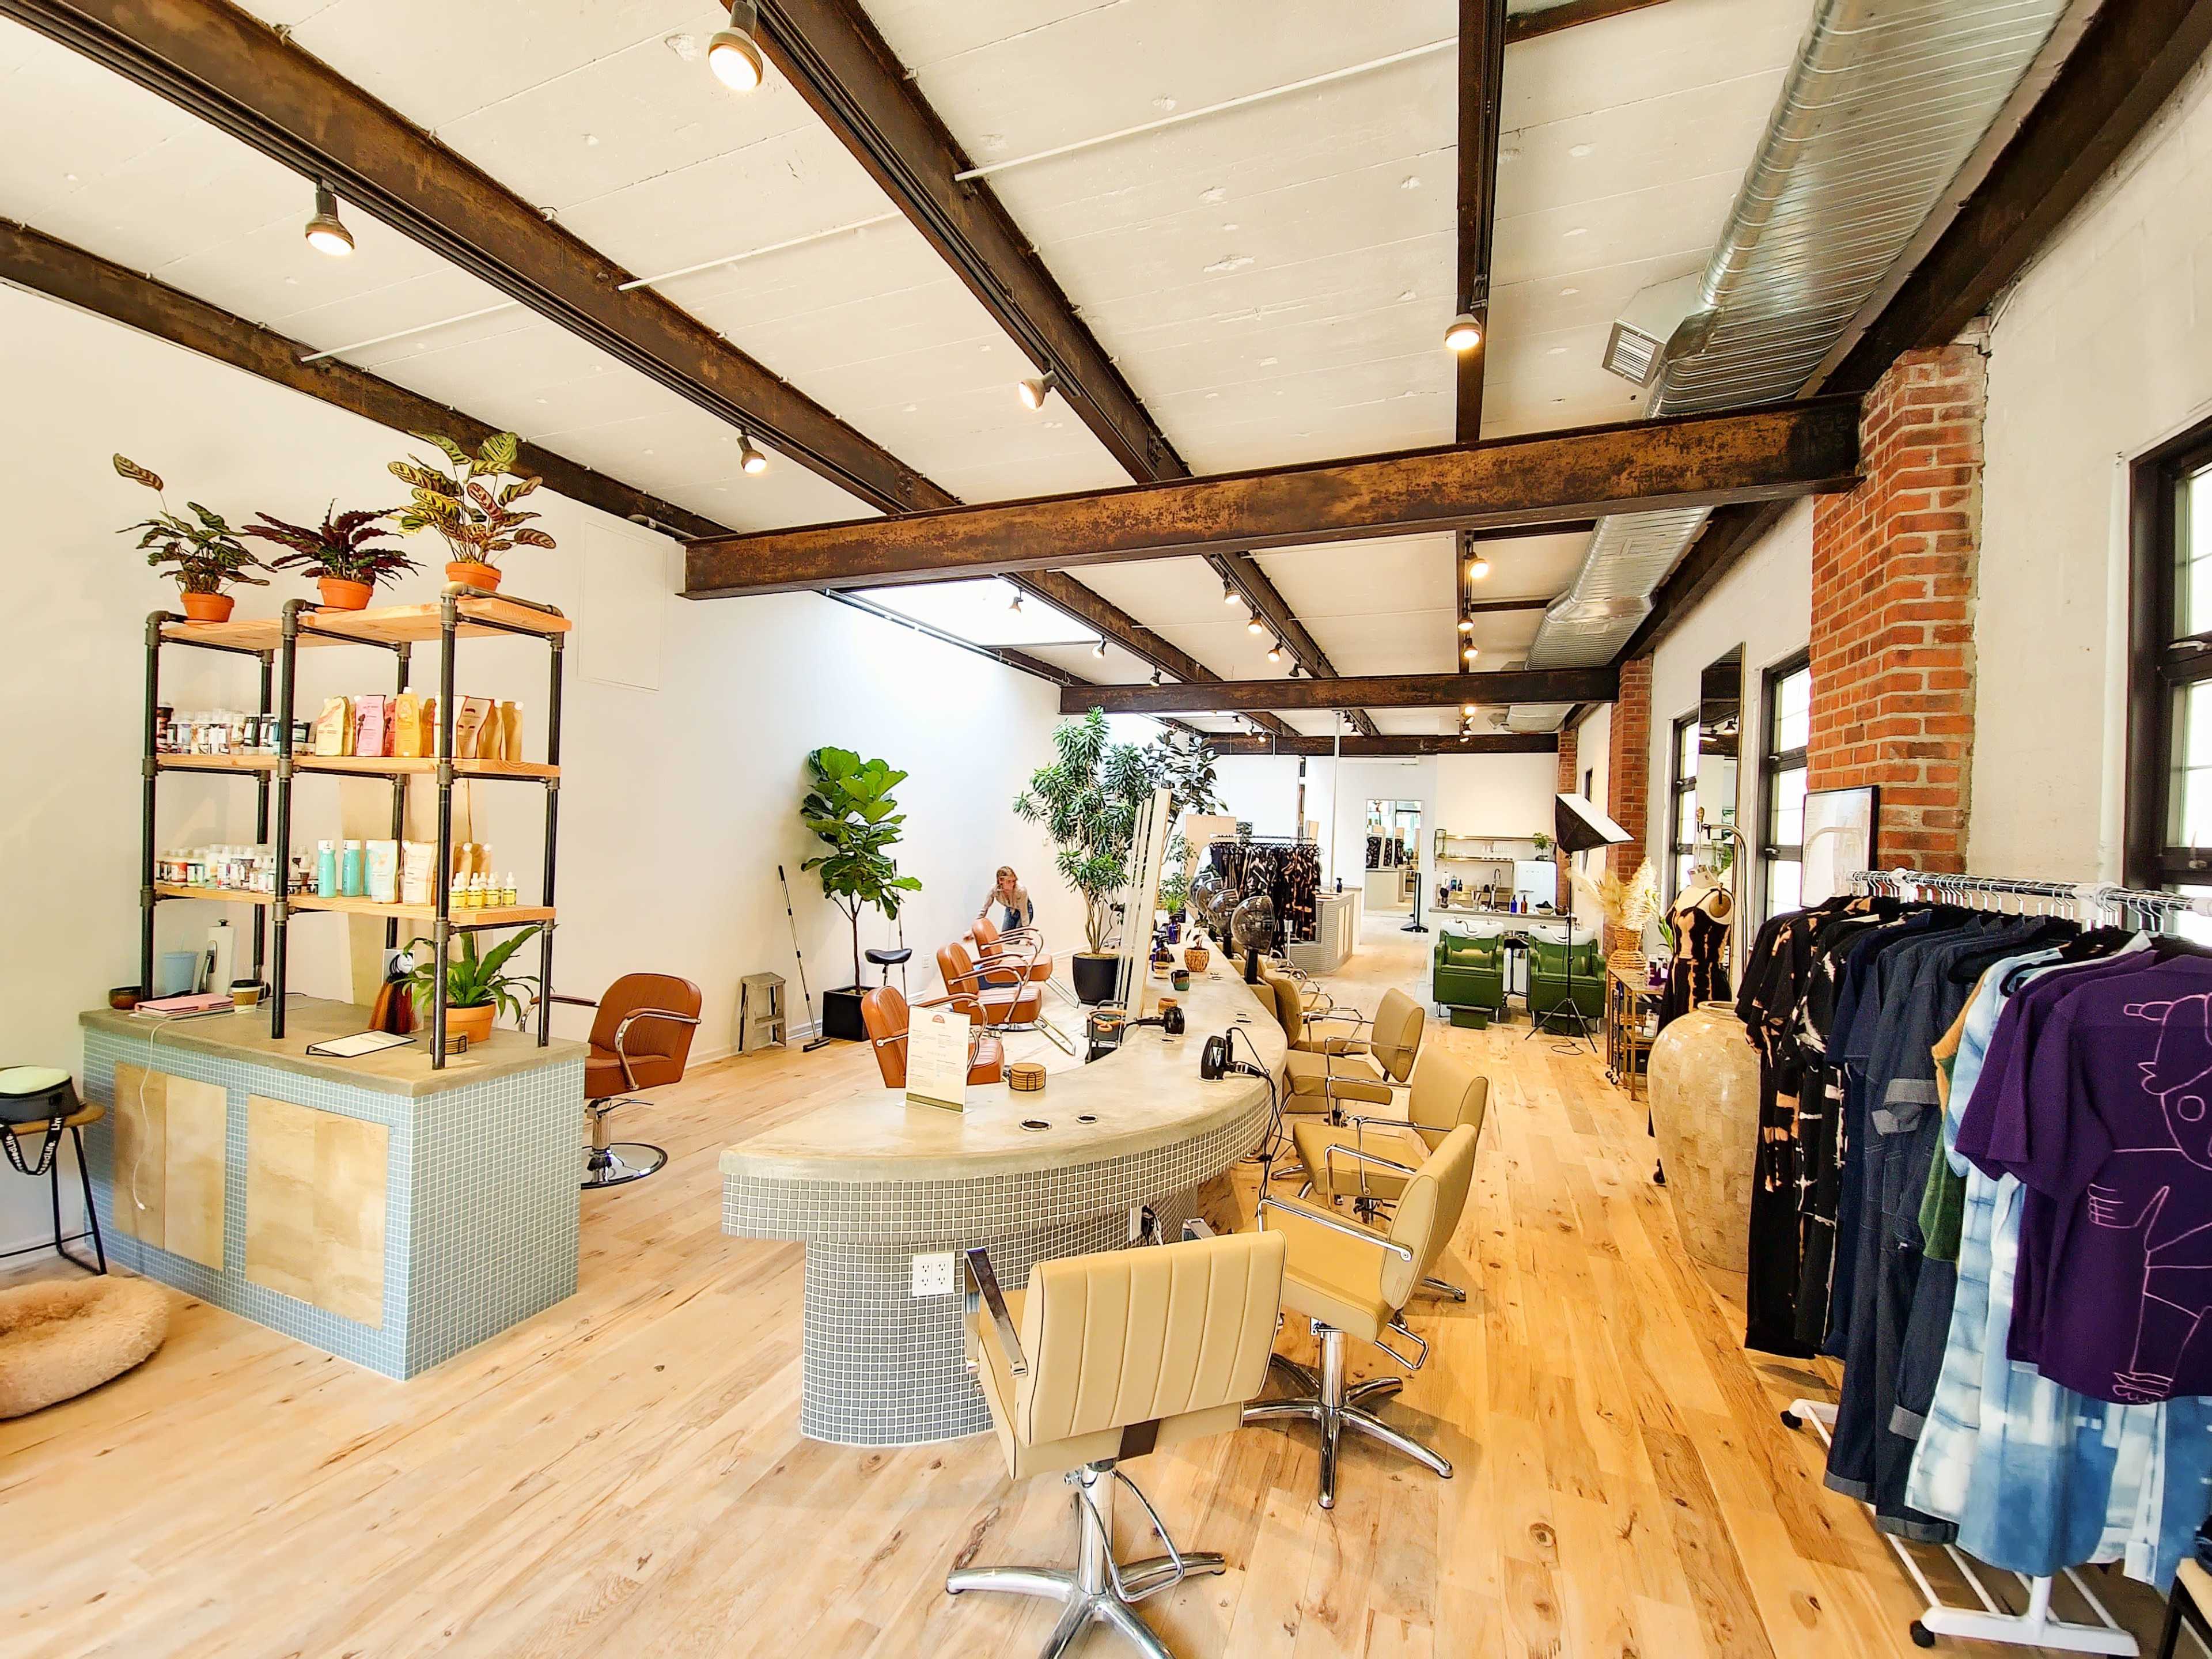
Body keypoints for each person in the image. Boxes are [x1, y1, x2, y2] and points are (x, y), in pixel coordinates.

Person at [978, 866, 1034, 933]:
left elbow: (1024, 913)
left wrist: (1026, 935)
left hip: (1025, 909)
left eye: (1013, 881)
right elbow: (984, 909)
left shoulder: (1021, 890)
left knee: (1015, 938)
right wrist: (974, 929)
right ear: (1001, 881)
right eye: (1009, 882)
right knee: (1005, 938)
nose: (1012, 884)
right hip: (1010, 909)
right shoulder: (994, 890)